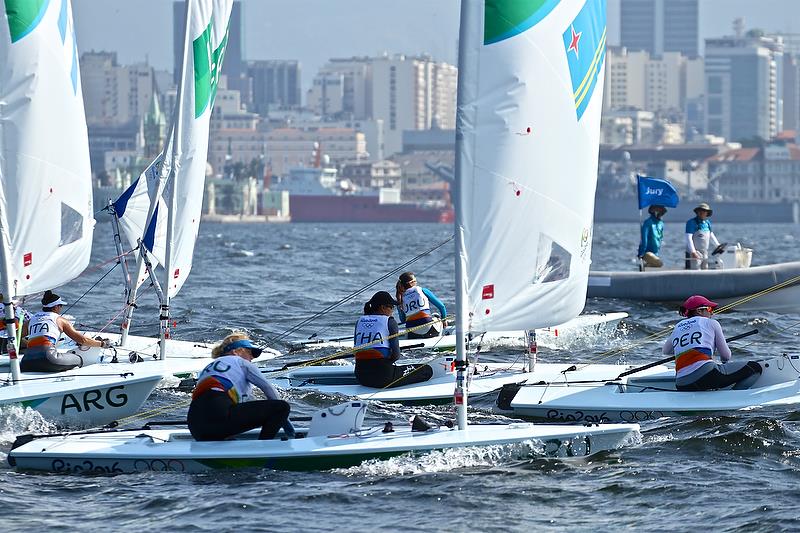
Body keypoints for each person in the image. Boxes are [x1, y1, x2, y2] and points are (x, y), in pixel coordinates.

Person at [188, 332, 293, 441]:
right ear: (236, 351)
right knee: (281, 407)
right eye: (249, 351)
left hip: (195, 426)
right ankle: (263, 448)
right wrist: (285, 421)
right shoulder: (241, 362)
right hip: (219, 417)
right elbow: (268, 389)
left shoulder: (208, 367)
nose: (252, 356)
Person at [663, 295, 762, 391]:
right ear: (699, 311)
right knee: (754, 368)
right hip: (706, 376)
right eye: (710, 309)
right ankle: (733, 397)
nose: (712, 313)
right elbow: (726, 356)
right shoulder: (711, 323)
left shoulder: (678, 326)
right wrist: (722, 362)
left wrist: (687, 349)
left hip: (681, 384)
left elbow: (666, 351)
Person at [353, 291, 434, 388]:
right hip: (384, 378)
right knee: (426, 369)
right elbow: (396, 356)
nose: (392, 311)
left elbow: (356, 351)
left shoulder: (359, 321)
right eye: (391, 307)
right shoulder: (390, 322)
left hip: (361, 377)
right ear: (383, 308)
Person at [20, 290, 110, 372]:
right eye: (60, 306)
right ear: (55, 307)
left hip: (26, 361)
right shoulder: (60, 320)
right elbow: (83, 340)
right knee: (79, 359)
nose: (61, 308)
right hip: (48, 359)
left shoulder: (31, 320)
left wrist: (31, 344)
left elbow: (17, 338)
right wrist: (102, 344)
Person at [395, 272, 447, 339]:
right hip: (428, 329)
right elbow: (441, 306)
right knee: (437, 317)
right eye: (415, 281)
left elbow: (403, 320)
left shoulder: (401, 299)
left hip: (412, 333)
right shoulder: (422, 290)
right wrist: (444, 319)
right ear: (411, 283)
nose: (416, 283)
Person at [685, 203, 720, 270]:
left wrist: (718, 246)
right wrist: (693, 252)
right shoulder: (691, 222)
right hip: (695, 252)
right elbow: (688, 238)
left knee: (705, 268)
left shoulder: (707, 223)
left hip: (705, 252)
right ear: (697, 212)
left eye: (704, 211)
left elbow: (711, 235)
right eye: (700, 210)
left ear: (707, 213)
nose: (702, 212)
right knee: (695, 269)